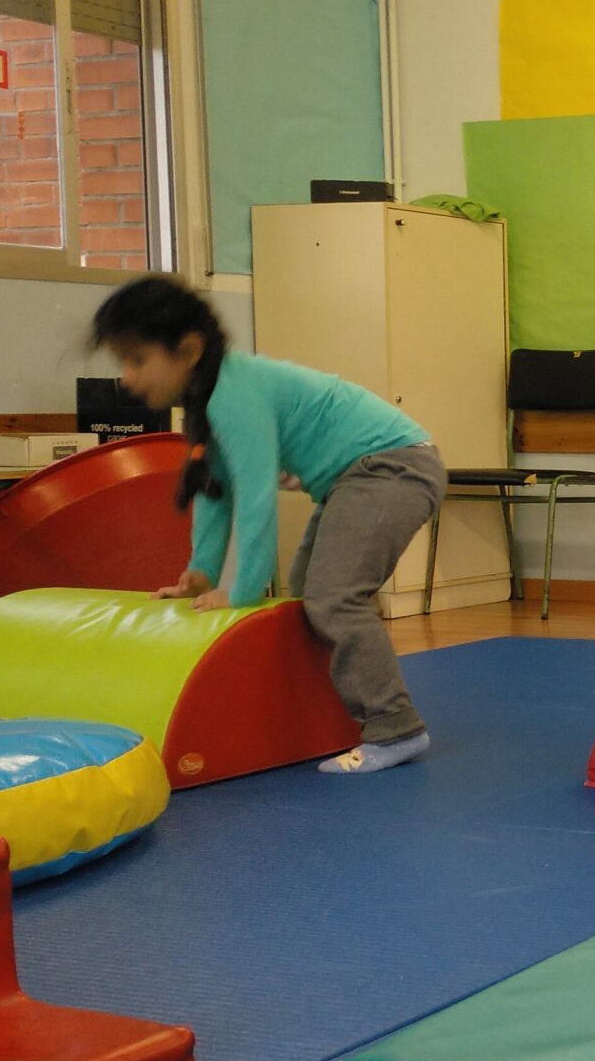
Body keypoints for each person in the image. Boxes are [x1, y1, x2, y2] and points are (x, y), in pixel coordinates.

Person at [90, 277, 446, 775]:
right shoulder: (209, 397)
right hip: (359, 475)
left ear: (189, 350)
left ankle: (395, 728)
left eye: (137, 360)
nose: (126, 378)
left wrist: (244, 589)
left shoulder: (232, 393)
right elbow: (216, 490)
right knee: (305, 597)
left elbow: (256, 495)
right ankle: (326, 720)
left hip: (393, 467)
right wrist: (203, 572)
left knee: (333, 597)